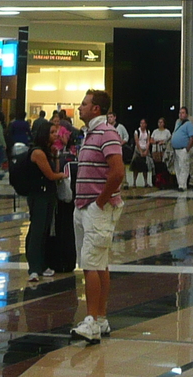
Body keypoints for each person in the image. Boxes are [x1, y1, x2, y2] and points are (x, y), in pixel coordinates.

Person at [70, 89, 124, 343]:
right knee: (97, 262)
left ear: (96, 109)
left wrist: (100, 202)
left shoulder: (107, 133)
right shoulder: (90, 134)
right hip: (84, 206)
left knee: (91, 263)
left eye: (84, 104)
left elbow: (117, 172)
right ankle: (100, 318)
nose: (80, 107)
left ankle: (90, 320)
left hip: (95, 207)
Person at [23, 118, 67, 284]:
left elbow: (53, 171)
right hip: (38, 195)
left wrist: (56, 157)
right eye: (52, 132)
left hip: (48, 194)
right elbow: (51, 175)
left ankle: (42, 264)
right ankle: (33, 267)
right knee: (37, 229)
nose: (56, 135)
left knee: (45, 230)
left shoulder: (48, 151)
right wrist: (63, 176)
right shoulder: (37, 153)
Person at [170, 107, 193, 191]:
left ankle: (183, 185)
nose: (181, 114)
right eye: (180, 113)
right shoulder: (178, 123)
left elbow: (192, 137)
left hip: (183, 149)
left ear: (186, 114)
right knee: (177, 168)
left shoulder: (189, 124)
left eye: (182, 113)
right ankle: (180, 184)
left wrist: (187, 149)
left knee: (184, 167)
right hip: (176, 149)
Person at [131, 119, 152, 187]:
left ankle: (145, 182)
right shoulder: (137, 131)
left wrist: (146, 150)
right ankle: (134, 182)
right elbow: (136, 141)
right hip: (138, 150)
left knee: (145, 167)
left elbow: (148, 141)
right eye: (141, 123)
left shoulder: (148, 132)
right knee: (136, 167)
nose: (142, 125)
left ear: (146, 124)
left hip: (145, 149)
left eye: (143, 123)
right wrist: (140, 151)